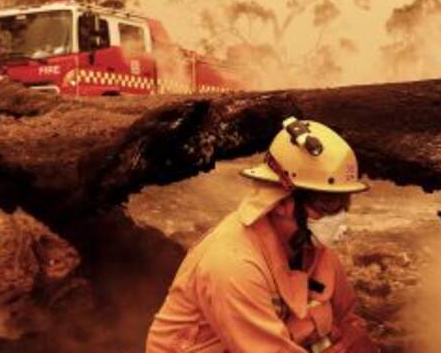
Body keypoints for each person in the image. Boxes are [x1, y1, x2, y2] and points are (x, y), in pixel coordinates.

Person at [146, 117, 379, 353]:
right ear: (281, 203)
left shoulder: (317, 252)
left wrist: (350, 338)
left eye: (343, 202)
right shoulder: (233, 264)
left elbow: (350, 323)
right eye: (326, 204)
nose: (337, 216)